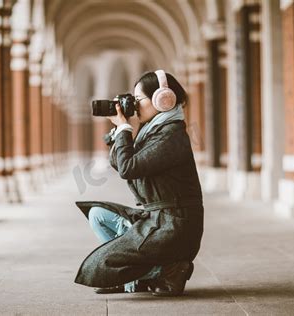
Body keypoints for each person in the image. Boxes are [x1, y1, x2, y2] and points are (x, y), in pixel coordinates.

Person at [74, 70, 204, 297]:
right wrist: (119, 131)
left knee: (102, 264)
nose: (134, 106)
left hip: (174, 225)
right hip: (157, 219)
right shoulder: (154, 131)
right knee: (97, 214)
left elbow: (128, 168)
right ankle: (142, 273)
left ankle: (168, 269)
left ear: (162, 99)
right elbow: (120, 162)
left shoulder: (171, 135)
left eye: (138, 100)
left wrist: (125, 129)